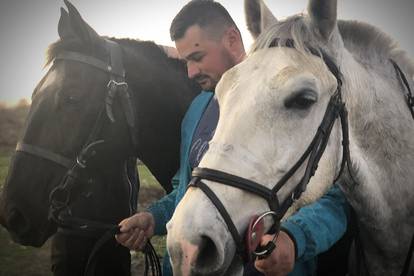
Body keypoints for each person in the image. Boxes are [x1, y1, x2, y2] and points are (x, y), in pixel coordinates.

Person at [115, 1, 350, 275]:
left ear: (231, 39)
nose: (190, 72)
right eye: (186, 61)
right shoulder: (196, 111)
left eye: (197, 57)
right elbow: (186, 186)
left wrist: (296, 238)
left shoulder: (287, 98)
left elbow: (336, 195)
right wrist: (153, 218)